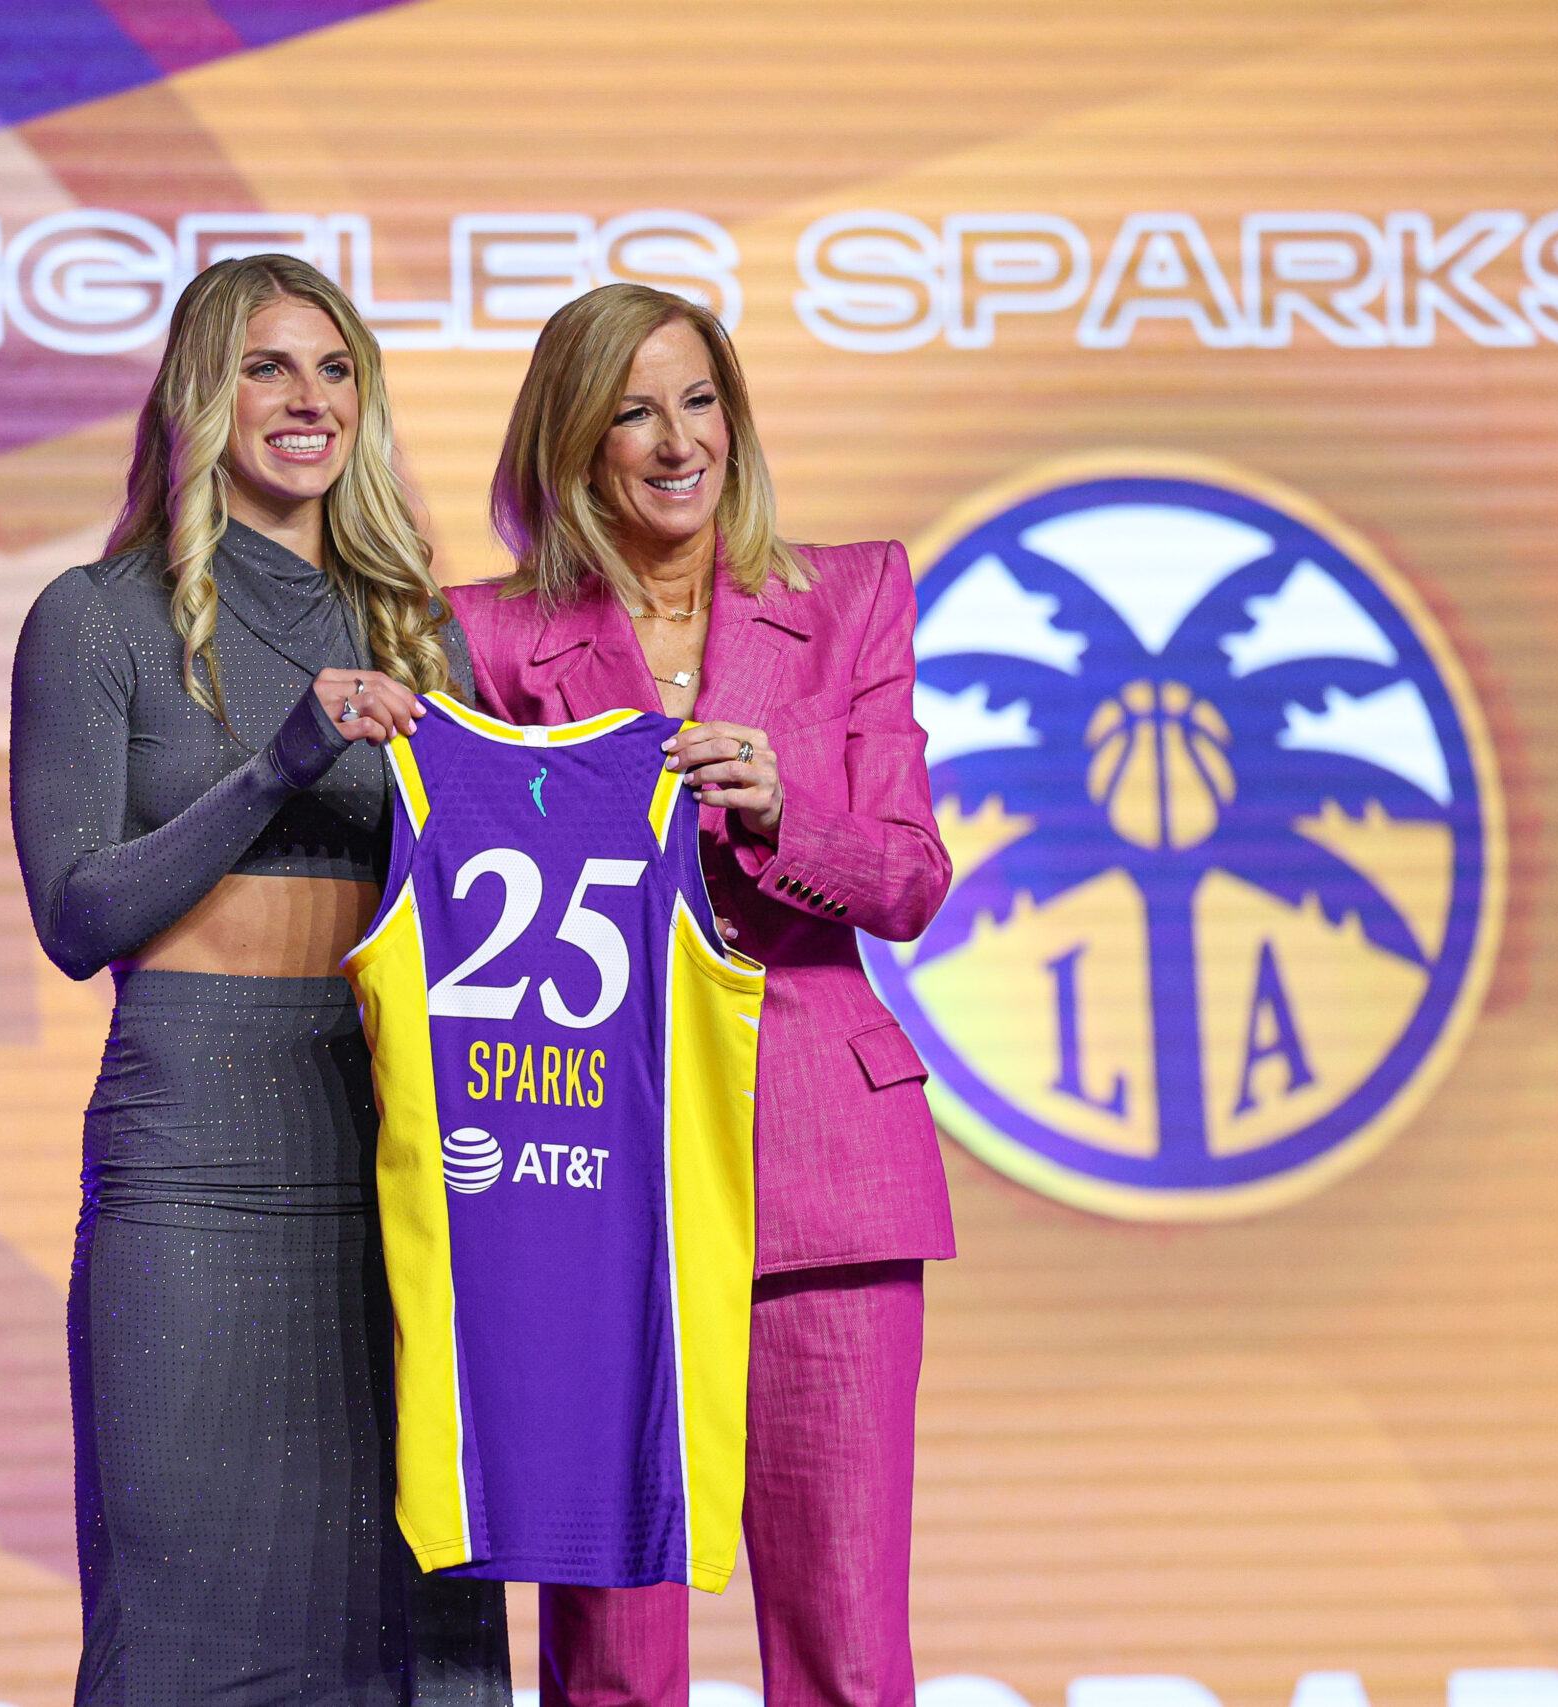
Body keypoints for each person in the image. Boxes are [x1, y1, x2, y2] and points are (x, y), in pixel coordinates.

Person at [9, 254, 511, 1706]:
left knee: (410, 1625)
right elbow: (76, 911)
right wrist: (286, 758)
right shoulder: (96, 618)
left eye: (335, 369)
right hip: (194, 1158)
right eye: (266, 367)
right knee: (181, 1620)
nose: (307, 400)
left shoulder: (425, 629)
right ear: (196, 395)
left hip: (398, 1148)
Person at [444, 283, 953, 1707]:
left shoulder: (848, 597)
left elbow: (913, 881)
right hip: (590, 1184)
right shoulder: (483, 639)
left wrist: (792, 812)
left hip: (825, 1170)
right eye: (631, 411)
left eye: (700, 399)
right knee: (609, 1667)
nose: (677, 442)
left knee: (845, 1651)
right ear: (570, 445)